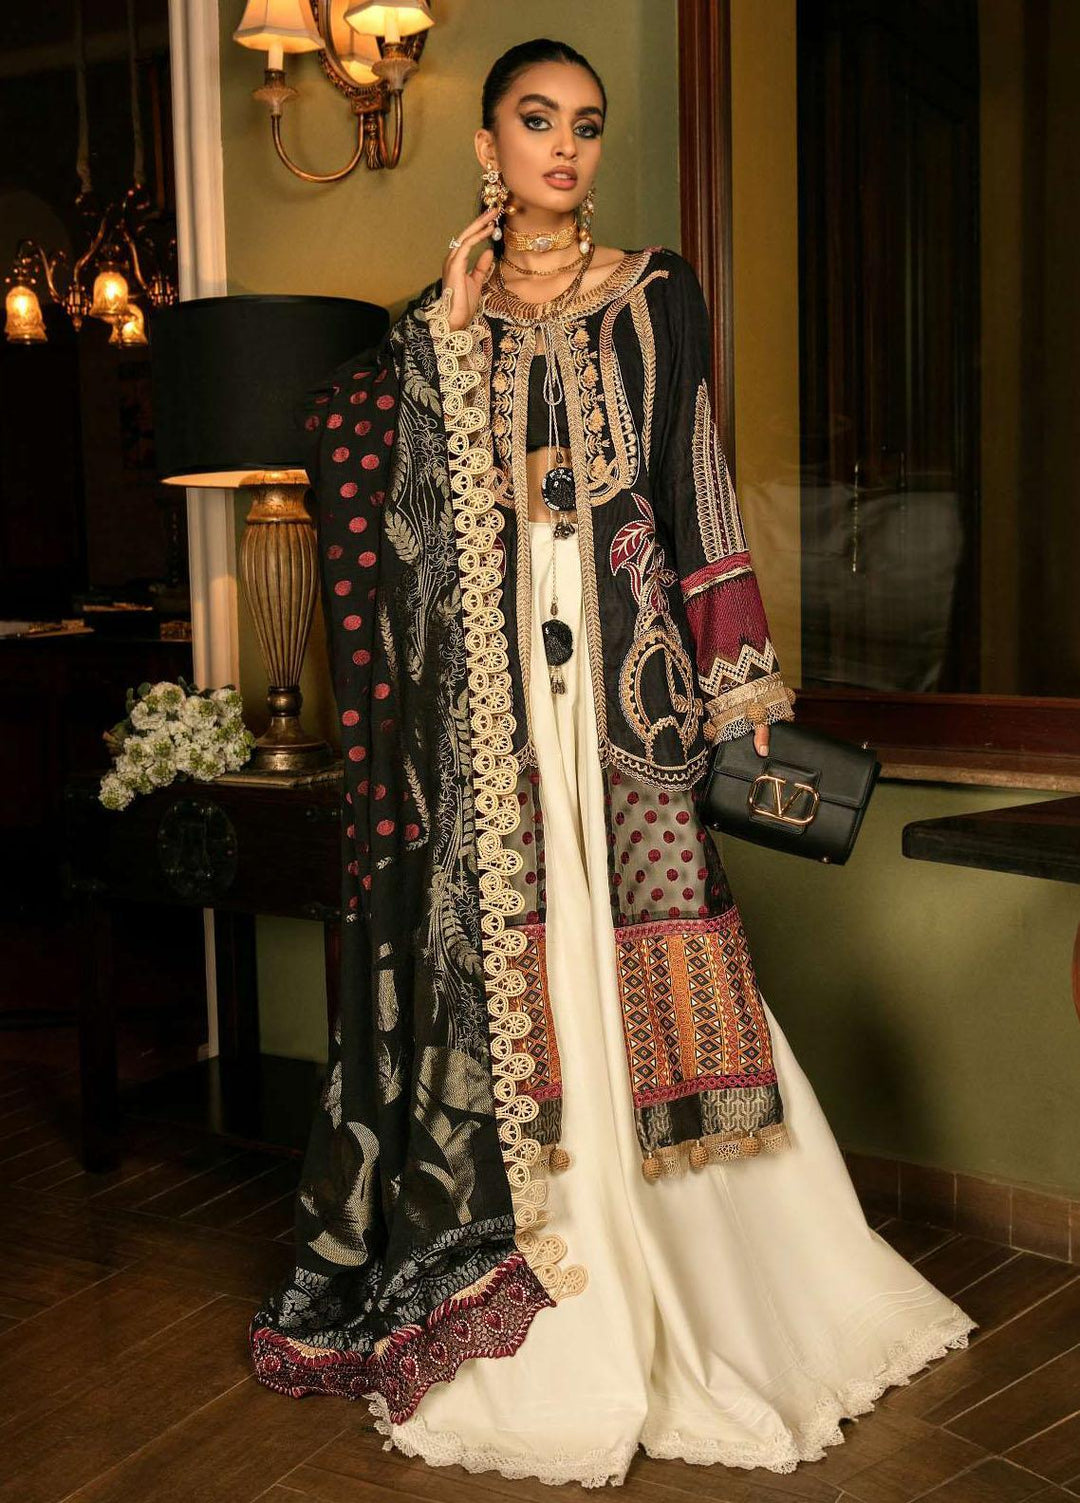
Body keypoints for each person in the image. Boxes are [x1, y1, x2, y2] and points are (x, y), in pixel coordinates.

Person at [248, 37, 976, 1487]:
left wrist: (738, 677)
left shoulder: (654, 292)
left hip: (626, 672)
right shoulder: (438, 319)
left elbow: (694, 476)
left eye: (585, 124)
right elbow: (373, 486)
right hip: (486, 686)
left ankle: (713, 1266)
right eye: (537, 122)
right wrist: (449, 342)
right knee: (519, 928)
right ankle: (532, 1243)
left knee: (645, 919)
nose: (565, 148)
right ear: (488, 147)